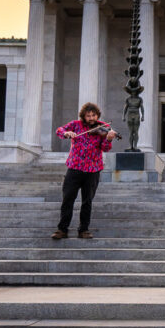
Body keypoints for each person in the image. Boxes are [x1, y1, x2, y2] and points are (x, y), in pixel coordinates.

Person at [52, 102, 117, 240]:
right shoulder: (76, 124)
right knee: (68, 199)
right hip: (75, 167)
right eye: (88, 116)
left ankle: (84, 230)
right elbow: (59, 130)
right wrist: (66, 133)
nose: (91, 118)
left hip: (93, 170)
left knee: (87, 201)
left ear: (97, 115)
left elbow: (105, 148)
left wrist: (109, 139)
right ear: (83, 116)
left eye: (94, 115)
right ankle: (62, 229)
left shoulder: (104, 128)